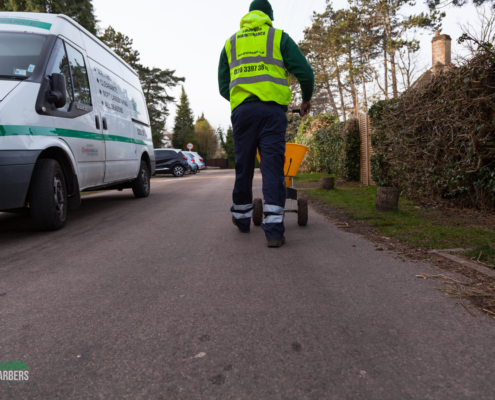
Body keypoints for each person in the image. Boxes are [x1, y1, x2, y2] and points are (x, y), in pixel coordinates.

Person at [218, 0, 314, 248]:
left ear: (249, 15)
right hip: (272, 114)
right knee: (272, 168)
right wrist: (305, 100)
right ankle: (273, 231)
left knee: (244, 166)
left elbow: (222, 86)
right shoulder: (278, 38)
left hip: (242, 114)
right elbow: (305, 72)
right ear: (269, 16)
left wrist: (242, 101)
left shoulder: (231, 43)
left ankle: (241, 219)